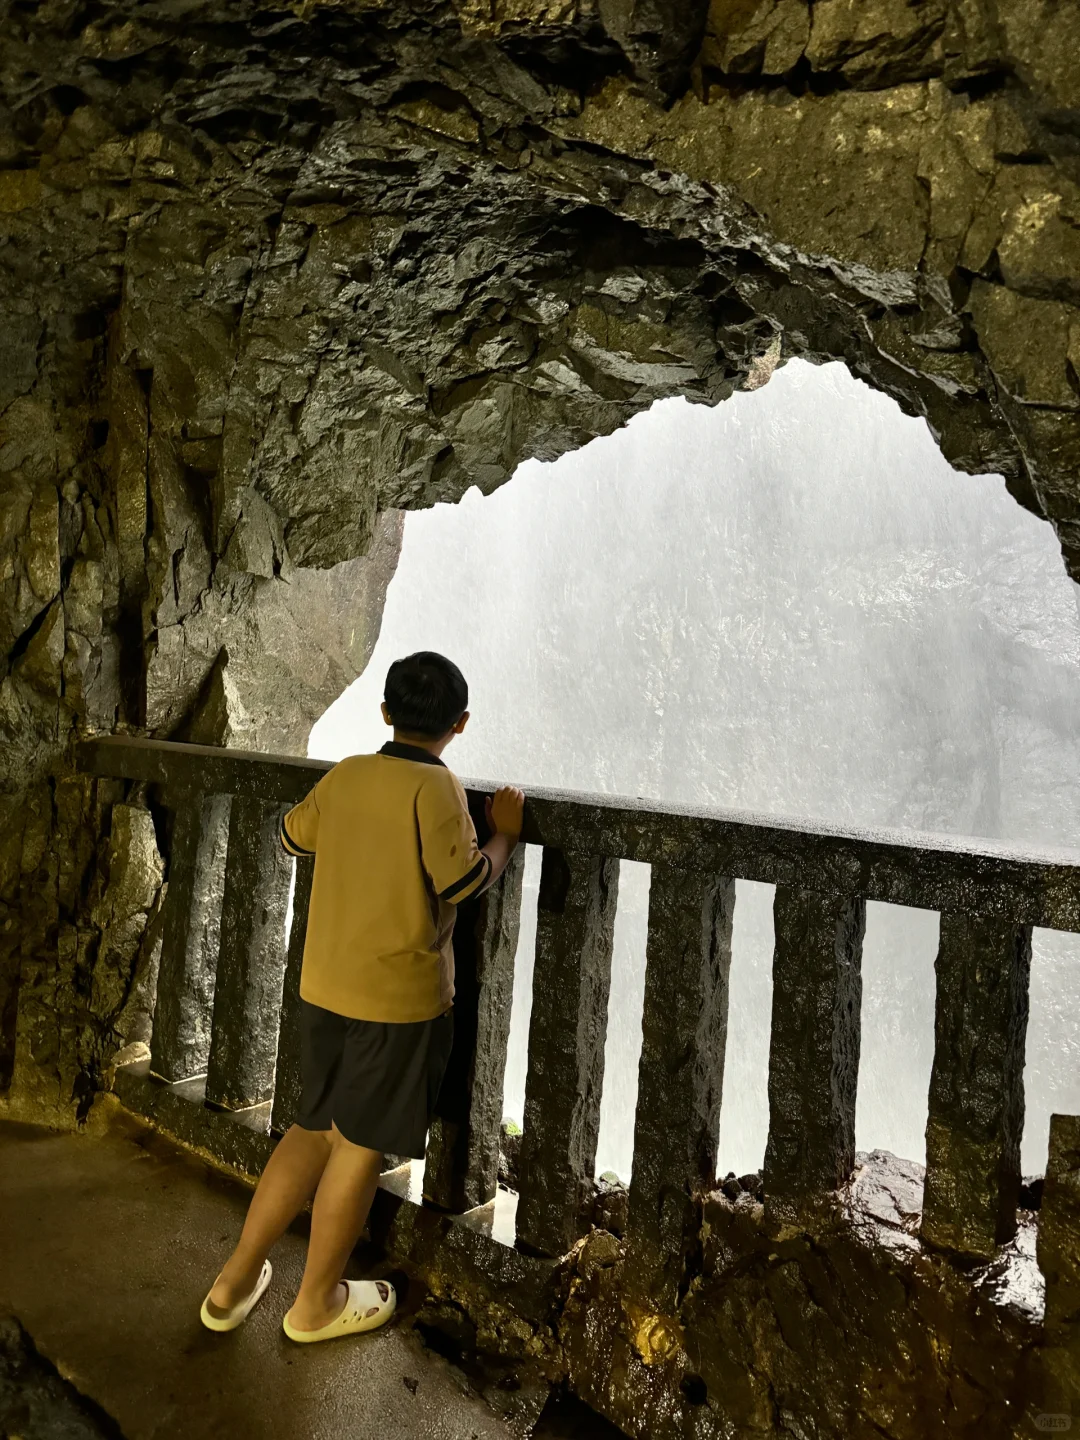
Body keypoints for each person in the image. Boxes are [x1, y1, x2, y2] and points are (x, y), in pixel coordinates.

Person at [198, 651, 525, 1343]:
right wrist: (502, 835)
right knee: (356, 1148)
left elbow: (291, 836)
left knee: (309, 1132)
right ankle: (313, 1303)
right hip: (394, 1005)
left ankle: (232, 1282)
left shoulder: (348, 776)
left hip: (323, 989)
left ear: (384, 712)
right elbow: (462, 883)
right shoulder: (437, 791)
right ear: (459, 724)